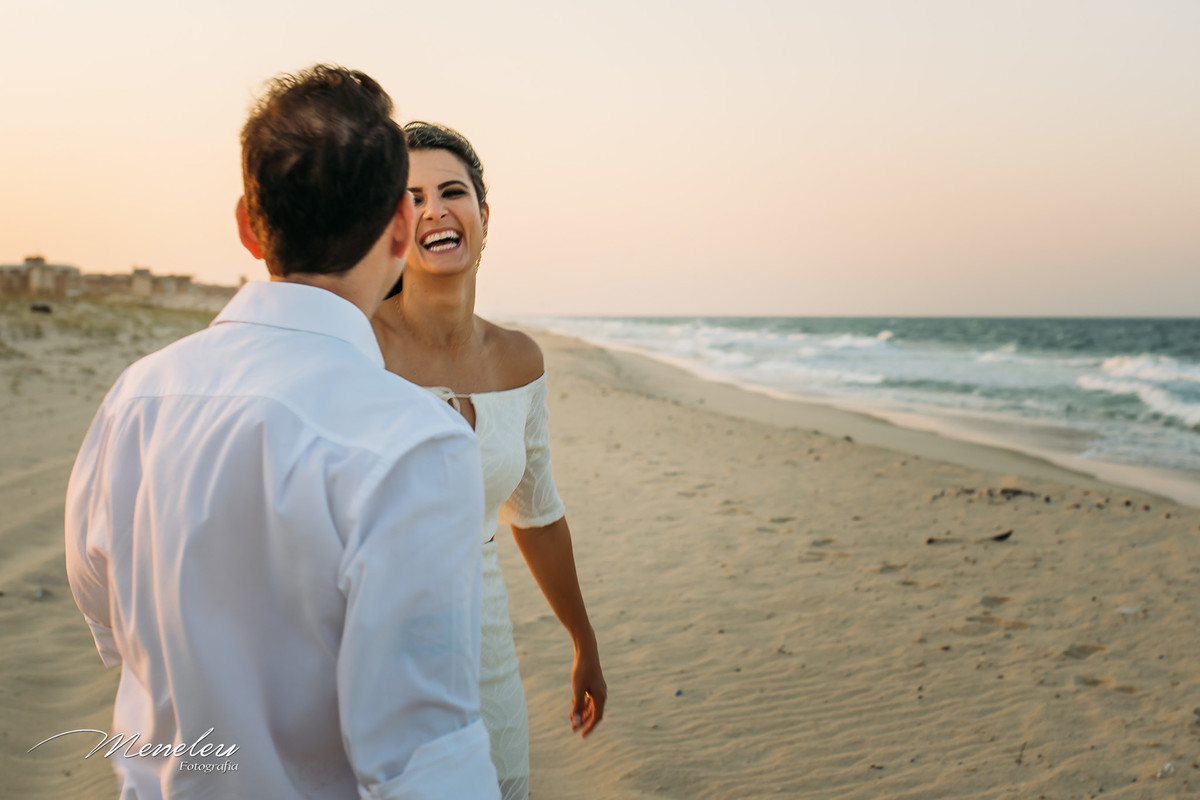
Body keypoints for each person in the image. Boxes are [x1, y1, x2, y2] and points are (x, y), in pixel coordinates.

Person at [64, 66, 499, 799]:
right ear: (400, 226)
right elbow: (428, 758)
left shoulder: (138, 395)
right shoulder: (415, 443)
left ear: (248, 222)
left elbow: (105, 611)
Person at [372, 121, 607, 800]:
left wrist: (583, 643)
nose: (436, 209)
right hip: (374, 654)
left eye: (453, 191)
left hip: (485, 650)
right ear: (391, 225)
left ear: (483, 216)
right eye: (412, 197)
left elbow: (536, 514)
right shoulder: (357, 348)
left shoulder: (519, 360)